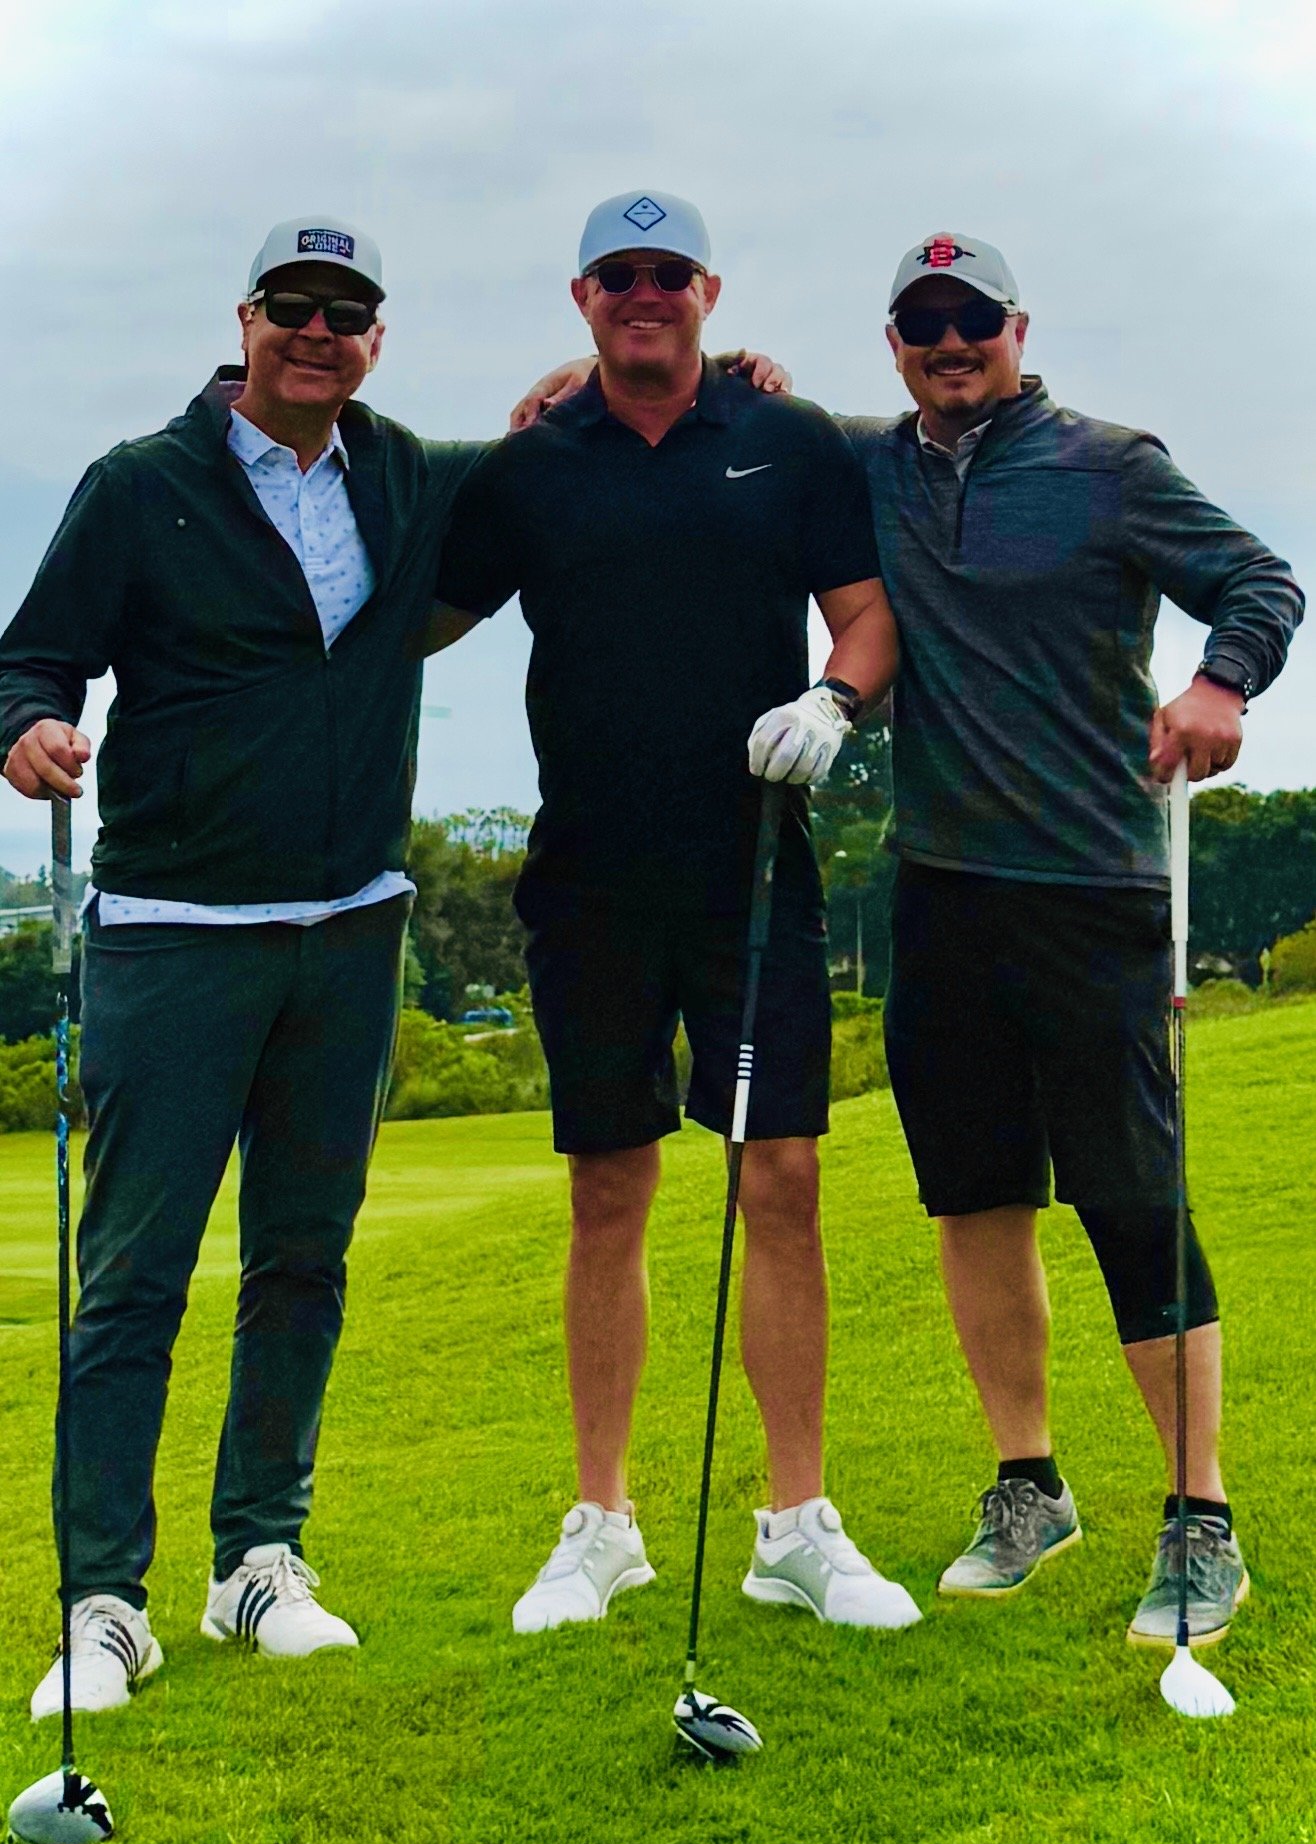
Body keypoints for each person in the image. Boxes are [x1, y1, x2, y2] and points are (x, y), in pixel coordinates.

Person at [740, 233, 1302, 1646]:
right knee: (976, 1197)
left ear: (1015, 325)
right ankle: (1028, 1483)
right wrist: (688, 374)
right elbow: (731, 405)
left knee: (1131, 1200)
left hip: (1097, 888)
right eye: (924, 324)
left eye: (971, 319)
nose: (950, 342)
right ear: (896, 342)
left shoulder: (1110, 463)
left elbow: (1261, 582)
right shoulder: (874, 461)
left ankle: (1201, 1520)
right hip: (943, 892)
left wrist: (1220, 686)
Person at [0, 216, 485, 1715]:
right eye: (295, 306)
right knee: (133, 1276)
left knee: (302, 1256)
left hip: (351, 929)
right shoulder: (145, 487)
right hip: (175, 934)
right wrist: (27, 729)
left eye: (347, 313)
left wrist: (724, 373)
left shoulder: (401, 471)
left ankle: (258, 1555)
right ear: (249, 319)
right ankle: (103, 1599)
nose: (318, 333)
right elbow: (34, 658)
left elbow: (556, 441)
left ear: (376, 338)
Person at [432, 190, 921, 1637]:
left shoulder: (785, 438)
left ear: (709, 289)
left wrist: (837, 699)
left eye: (668, 276)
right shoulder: (533, 463)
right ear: (584, 296)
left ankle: (795, 1521)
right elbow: (416, 620)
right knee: (608, 1189)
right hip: (587, 881)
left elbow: (868, 612)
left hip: (752, 876)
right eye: (617, 278)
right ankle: (602, 1521)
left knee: (781, 1178)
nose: (644, 296)